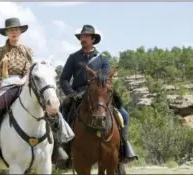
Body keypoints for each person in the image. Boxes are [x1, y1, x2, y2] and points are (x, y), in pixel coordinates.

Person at [0, 17, 68, 166]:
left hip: (26, 84)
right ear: (7, 32)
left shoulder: (28, 50)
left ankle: (57, 145)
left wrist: (28, 77)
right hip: (6, 85)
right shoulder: (0, 52)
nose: (14, 32)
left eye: (16, 29)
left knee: (50, 107)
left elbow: (33, 70)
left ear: (20, 32)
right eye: (11, 30)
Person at [59, 24, 138, 163]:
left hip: (99, 94)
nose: (83, 39)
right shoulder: (73, 58)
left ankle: (124, 147)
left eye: (86, 36)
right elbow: (64, 79)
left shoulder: (102, 58)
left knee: (124, 115)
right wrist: (71, 94)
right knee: (62, 113)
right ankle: (63, 151)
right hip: (78, 94)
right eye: (81, 36)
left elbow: (107, 79)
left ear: (92, 39)